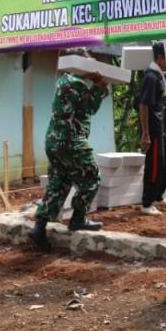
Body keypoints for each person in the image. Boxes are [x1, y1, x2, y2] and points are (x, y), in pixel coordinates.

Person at [31, 65, 108, 251]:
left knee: (59, 182)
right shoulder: (77, 84)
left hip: (53, 141)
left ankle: (39, 228)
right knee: (92, 177)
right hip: (71, 141)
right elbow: (90, 108)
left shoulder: (63, 80)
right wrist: (99, 85)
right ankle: (78, 218)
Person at [138, 43, 166, 216]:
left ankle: (158, 195)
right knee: (155, 165)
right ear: (160, 58)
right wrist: (145, 134)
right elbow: (143, 105)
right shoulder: (151, 77)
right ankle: (146, 202)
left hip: (160, 126)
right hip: (152, 128)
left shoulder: (158, 75)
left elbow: (161, 86)